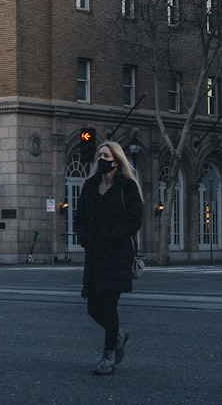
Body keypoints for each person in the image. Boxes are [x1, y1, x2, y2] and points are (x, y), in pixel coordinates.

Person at [76, 140, 143, 376]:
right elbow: (79, 218)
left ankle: (108, 356)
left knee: (109, 304)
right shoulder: (90, 185)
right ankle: (118, 336)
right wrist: (84, 238)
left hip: (117, 255)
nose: (101, 159)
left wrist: (111, 236)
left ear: (116, 161)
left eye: (106, 155)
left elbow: (135, 220)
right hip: (94, 255)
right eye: (100, 155)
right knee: (93, 307)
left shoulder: (127, 186)